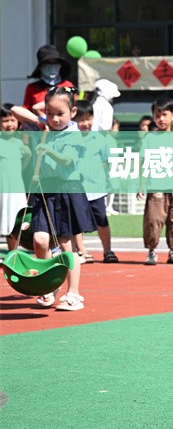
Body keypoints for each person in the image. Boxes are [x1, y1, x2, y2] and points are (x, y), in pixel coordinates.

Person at [12, 86, 96, 311]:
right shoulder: (46, 125)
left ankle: (74, 293)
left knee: (66, 245)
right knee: (40, 240)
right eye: (50, 113)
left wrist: (48, 151)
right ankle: (47, 286)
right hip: (44, 192)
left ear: (73, 112)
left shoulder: (73, 133)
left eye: (60, 113)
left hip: (67, 190)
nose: (55, 118)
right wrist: (40, 120)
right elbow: (14, 110)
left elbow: (68, 161)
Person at [137, 96, 173, 266]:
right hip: (156, 187)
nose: (161, 119)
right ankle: (152, 251)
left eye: (164, 115)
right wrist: (141, 184)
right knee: (154, 220)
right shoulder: (149, 139)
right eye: (157, 115)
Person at [70, 100, 120, 264]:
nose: (85, 123)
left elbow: (108, 162)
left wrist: (111, 180)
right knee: (76, 222)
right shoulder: (70, 139)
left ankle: (108, 250)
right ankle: (80, 251)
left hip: (97, 188)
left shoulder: (100, 139)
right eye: (81, 120)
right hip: (77, 188)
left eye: (88, 118)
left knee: (102, 220)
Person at [0, 104, 30, 251]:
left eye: (12, 120)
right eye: (5, 121)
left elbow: (20, 168)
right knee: (4, 218)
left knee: (15, 221)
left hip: (17, 188)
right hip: (3, 189)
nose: (9, 124)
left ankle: (14, 252)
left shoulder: (19, 143)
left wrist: (28, 156)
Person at [22, 45, 76, 115]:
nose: (52, 66)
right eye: (48, 63)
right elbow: (26, 112)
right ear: (41, 67)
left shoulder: (68, 86)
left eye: (55, 63)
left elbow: (75, 107)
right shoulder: (32, 89)